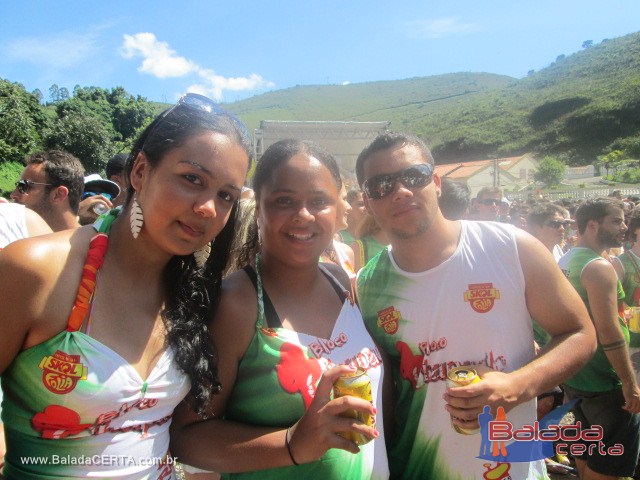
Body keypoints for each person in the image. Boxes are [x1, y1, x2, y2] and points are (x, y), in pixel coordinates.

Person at [0, 92, 252, 479]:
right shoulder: (37, 270)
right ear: (139, 171)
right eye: (192, 179)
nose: (208, 208)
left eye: (225, 195)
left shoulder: (196, 294)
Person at [354, 132, 596, 479]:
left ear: (436, 182)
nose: (400, 191)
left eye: (414, 176)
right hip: (419, 467)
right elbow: (387, 392)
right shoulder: (367, 284)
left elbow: (580, 333)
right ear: (367, 199)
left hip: (512, 468)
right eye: (380, 185)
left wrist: (518, 385)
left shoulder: (510, 247)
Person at [170, 139, 388, 479]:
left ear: (337, 209)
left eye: (319, 202)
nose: (303, 215)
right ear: (259, 208)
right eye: (284, 201)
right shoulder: (237, 303)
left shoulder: (343, 284)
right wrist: (292, 444)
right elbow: (187, 437)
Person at [558, 197, 640, 480]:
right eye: (616, 220)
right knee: (609, 464)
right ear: (592, 225)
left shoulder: (565, 259)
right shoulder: (598, 267)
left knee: (587, 447)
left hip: (577, 374)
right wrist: (630, 384)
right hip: (605, 380)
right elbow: (609, 332)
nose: (624, 226)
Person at [10, 149, 85, 231]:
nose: (13, 194)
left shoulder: (91, 243)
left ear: (58, 195)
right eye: (18, 185)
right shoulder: (20, 234)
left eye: (24, 186)